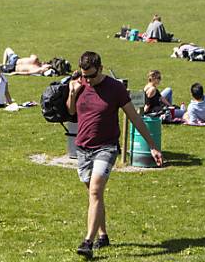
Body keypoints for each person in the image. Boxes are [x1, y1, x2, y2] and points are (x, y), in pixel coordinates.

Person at [67, 51, 162, 259]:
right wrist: (72, 93)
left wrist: (152, 146)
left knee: (95, 191)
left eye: (92, 76)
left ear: (101, 69)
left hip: (106, 147)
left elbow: (135, 118)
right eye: (84, 75)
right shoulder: (80, 83)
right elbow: (71, 111)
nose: (88, 80)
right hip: (82, 147)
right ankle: (103, 235)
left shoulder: (115, 88)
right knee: (95, 195)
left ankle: (87, 242)